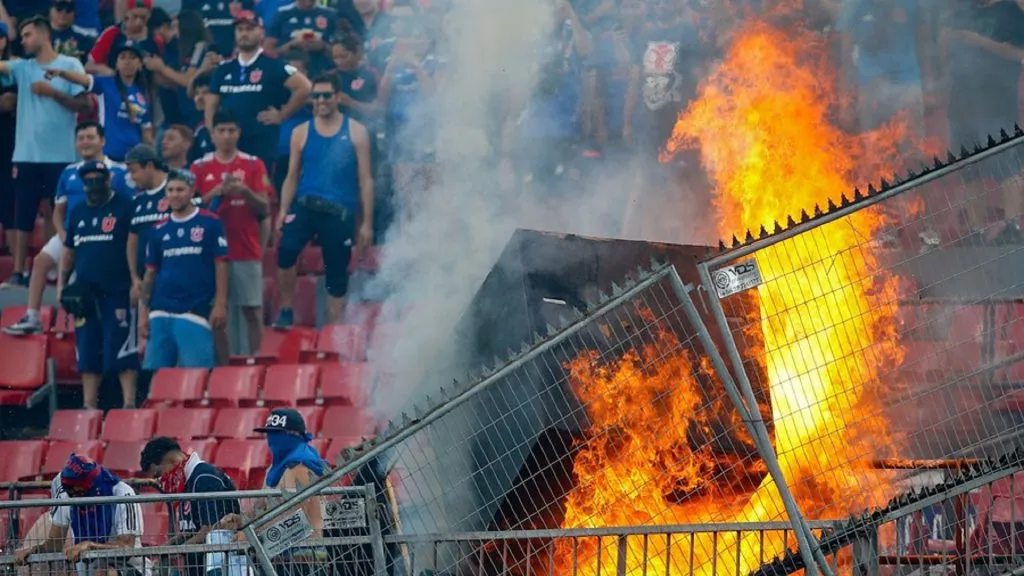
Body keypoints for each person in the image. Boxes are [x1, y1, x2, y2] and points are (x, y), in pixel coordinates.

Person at [5, 122, 132, 336]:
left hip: (103, 235)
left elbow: (127, 208)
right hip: (71, 232)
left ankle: (71, 325)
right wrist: (64, 236)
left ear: (102, 141)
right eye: (81, 138)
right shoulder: (68, 172)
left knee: (80, 281)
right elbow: (58, 211)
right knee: (40, 261)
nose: (85, 142)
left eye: (90, 137)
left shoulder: (118, 172)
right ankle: (33, 317)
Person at [274, 73, 372, 328]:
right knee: (285, 252)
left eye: (326, 95)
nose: (320, 101)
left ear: (338, 97)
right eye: (316, 96)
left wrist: (367, 223)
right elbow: (292, 176)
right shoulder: (301, 132)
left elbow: (365, 180)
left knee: (336, 271)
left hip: (339, 210)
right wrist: (283, 210)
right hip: (306, 204)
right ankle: (285, 309)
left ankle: (334, 326)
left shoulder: (357, 132)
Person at [0, 16, 91, 289]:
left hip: (61, 154)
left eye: (27, 35)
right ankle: (18, 271)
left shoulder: (69, 65)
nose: (23, 41)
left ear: (43, 34)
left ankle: (53, 267)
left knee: (57, 211)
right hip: (26, 154)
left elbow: (84, 106)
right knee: (23, 213)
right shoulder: (23, 67)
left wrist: (53, 93)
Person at [60, 160, 140, 409]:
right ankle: (88, 406)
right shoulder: (78, 211)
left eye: (98, 178)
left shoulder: (125, 206)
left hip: (118, 290)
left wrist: (135, 282)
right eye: (88, 180)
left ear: (109, 179)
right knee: (87, 350)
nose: (93, 184)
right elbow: (69, 251)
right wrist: (63, 285)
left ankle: (128, 404)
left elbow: (135, 246)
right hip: (86, 295)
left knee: (123, 351)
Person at [192, 110, 271, 358]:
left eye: (231, 131)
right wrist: (214, 194)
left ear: (239, 133)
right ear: (212, 134)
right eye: (221, 131)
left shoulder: (253, 164)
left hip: (244, 247)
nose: (226, 136)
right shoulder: (199, 167)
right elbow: (190, 210)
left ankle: (257, 362)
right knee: (217, 313)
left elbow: (265, 208)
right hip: (210, 255)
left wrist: (245, 191)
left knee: (251, 310)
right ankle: (224, 369)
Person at [139, 170, 227, 369]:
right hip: (160, 312)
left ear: (192, 191)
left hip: (193, 311)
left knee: (197, 377)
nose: (175, 194)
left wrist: (220, 303)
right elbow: (150, 274)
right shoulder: (158, 229)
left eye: (180, 189)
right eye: (170, 190)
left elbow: (221, 264)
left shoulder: (210, 223)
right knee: (153, 379)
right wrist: (143, 314)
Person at [205, 10, 312, 169]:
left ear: (261, 33)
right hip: (229, 145)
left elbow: (305, 87)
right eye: (240, 30)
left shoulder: (274, 65)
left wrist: (282, 115)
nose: (244, 34)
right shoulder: (224, 68)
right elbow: (211, 104)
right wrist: (213, 132)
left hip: (261, 144)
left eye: (249, 29)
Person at [13, 454, 147, 575]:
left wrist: (90, 545)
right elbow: (55, 544)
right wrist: (32, 550)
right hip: (88, 570)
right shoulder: (66, 497)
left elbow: (125, 547)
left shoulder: (122, 493)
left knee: (105, 572)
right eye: (70, 491)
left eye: (78, 491)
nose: (73, 495)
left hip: (130, 568)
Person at [139, 437, 241, 576]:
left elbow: (213, 528)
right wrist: (168, 546)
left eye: (158, 474)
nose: (160, 481)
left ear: (170, 460)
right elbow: (194, 529)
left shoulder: (204, 477)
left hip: (220, 568)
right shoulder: (185, 481)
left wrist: (179, 550)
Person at [47, 43, 156, 161]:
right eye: (122, 57)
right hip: (108, 156)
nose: (127, 61)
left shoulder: (143, 93)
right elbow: (83, 78)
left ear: (140, 64)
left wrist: (151, 153)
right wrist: (62, 73)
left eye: (132, 57)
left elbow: (146, 131)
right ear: (117, 64)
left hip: (134, 161)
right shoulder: (106, 83)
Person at [266, 0, 338, 75]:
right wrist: (292, 45)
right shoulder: (282, 13)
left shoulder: (330, 14)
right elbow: (268, 51)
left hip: (322, 73)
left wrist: (322, 46)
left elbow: (343, 52)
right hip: (289, 74)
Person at [88, 0, 161, 73]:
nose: (138, 22)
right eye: (135, 16)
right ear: (126, 13)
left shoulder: (156, 39)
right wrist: (107, 71)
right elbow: (89, 66)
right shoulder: (111, 33)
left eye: (143, 17)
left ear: (149, 15)